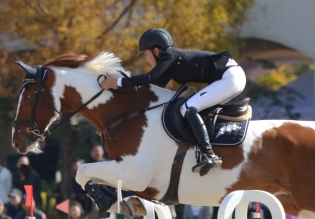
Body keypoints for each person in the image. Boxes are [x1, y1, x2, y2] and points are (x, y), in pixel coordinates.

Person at [100, 28, 246, 175]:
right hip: (230, 77)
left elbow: (149, 78)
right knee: (194, 108)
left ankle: (209, 154)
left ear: (156, 51)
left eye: (146, 54)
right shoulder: (170, 61)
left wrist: (117, 82)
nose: (146, 58)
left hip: (230, 77)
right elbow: (152, 87)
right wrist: (121, 92)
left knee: (188, 107)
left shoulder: (169, 55)